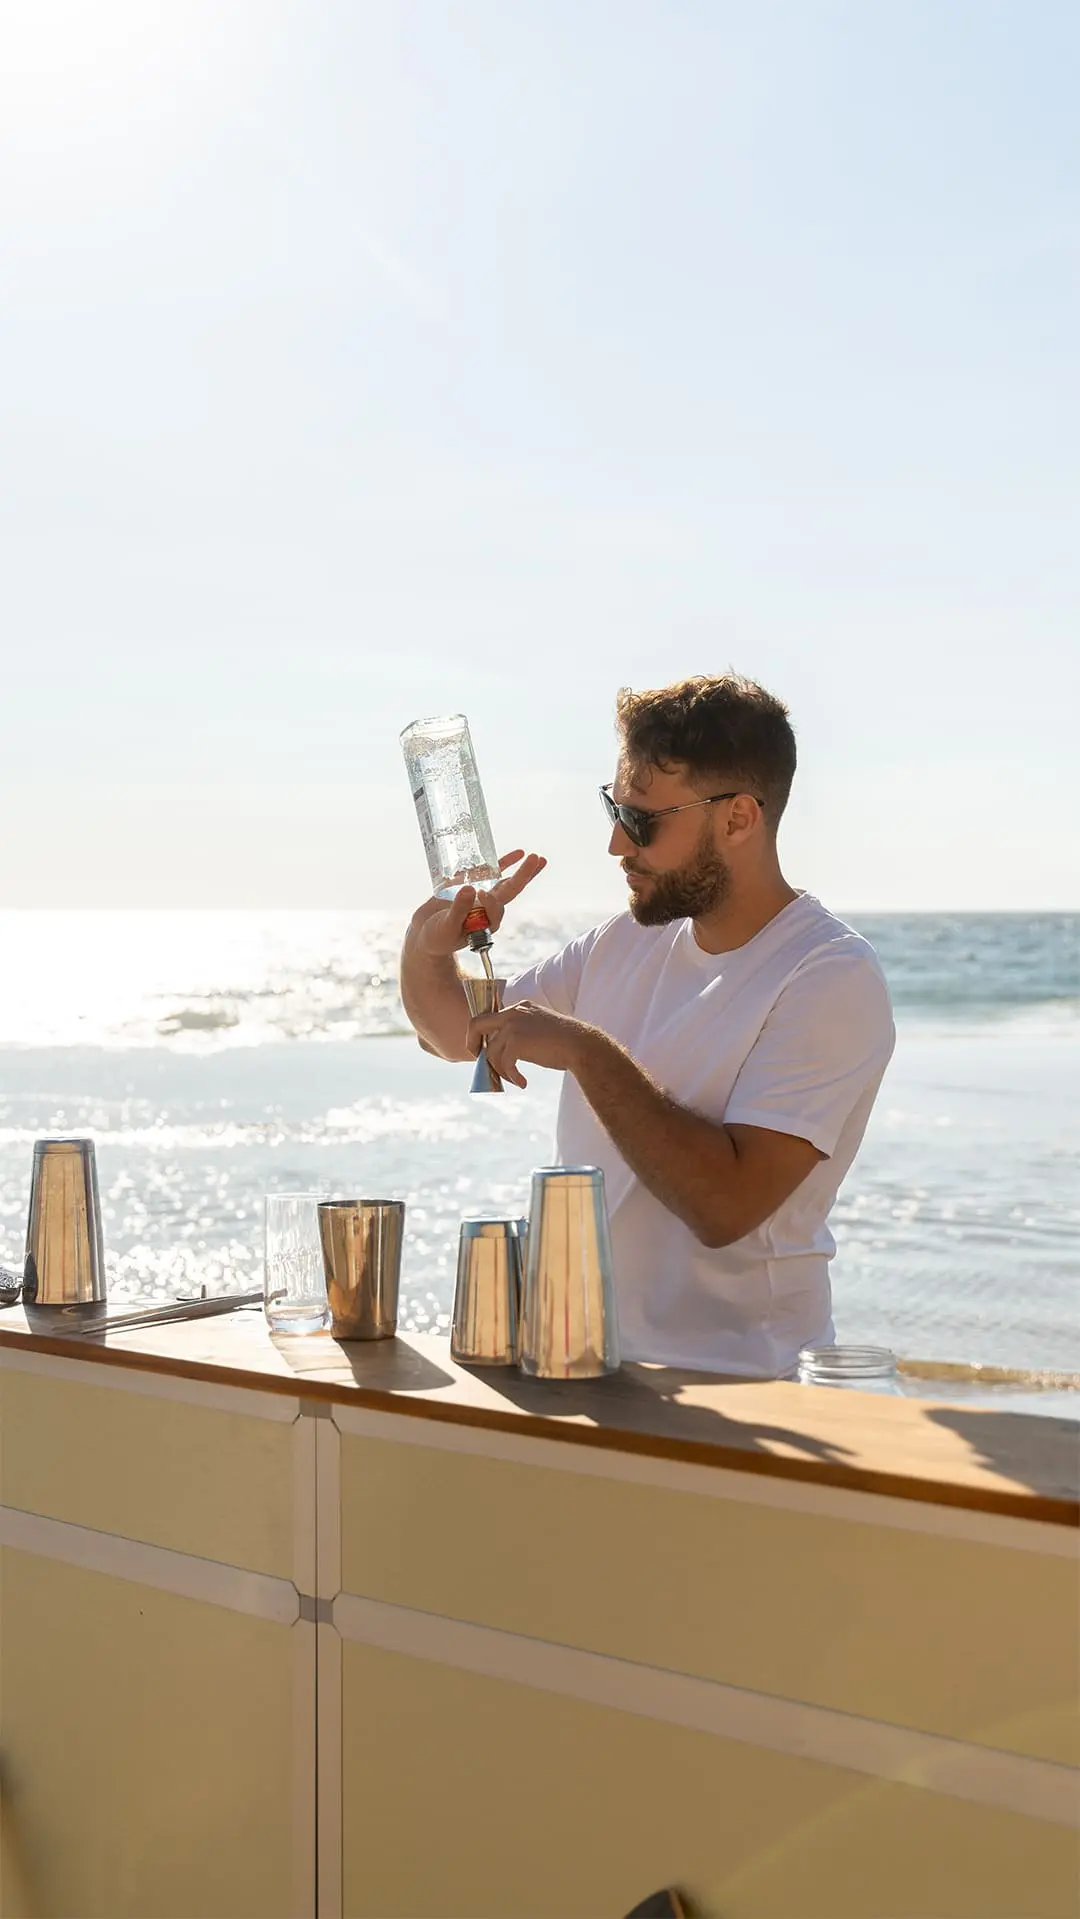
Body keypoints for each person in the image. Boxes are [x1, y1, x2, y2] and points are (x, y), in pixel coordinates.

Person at [399, 674, 894, 1378]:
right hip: (586, 1365)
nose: (614, 844)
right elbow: (455, 1033)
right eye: (614, 807)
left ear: (740, 818)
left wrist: (581, 1050)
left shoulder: (829, 976)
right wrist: (430, 944)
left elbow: (724, 1206)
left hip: (747, 1390)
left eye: (640, 821)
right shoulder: (620, 944)